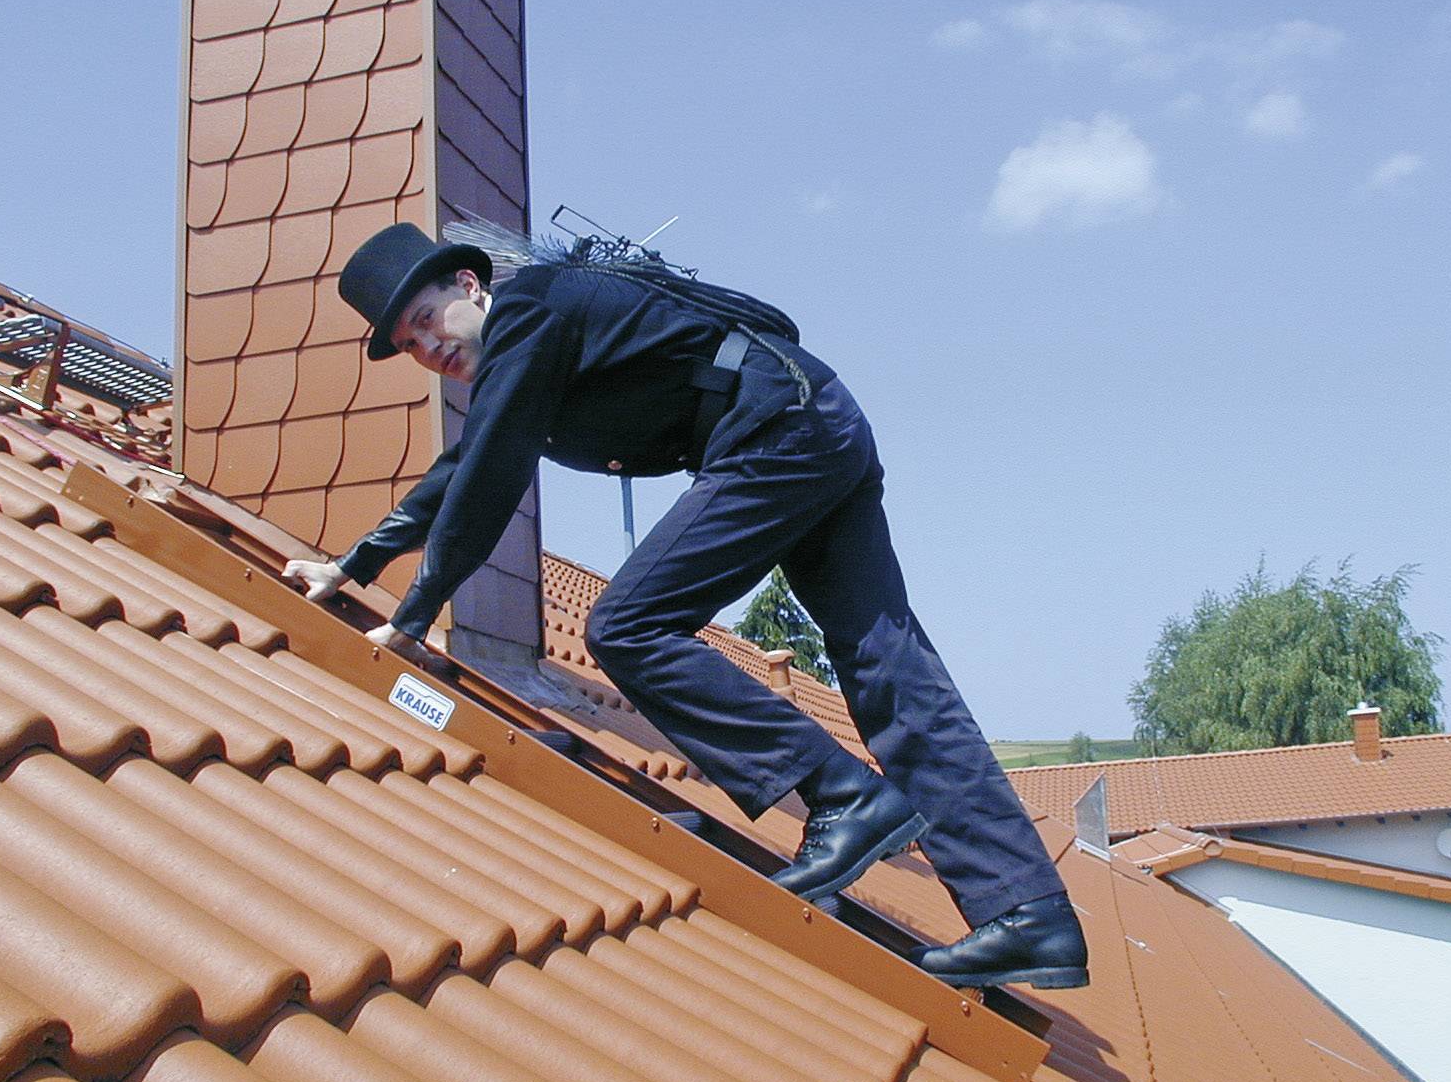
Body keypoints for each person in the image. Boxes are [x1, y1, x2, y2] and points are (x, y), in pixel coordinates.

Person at [284, 222, 1088, 989]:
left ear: (468, 283)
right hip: (815, 421)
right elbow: (461, 470)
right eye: (411, 347)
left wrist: (414, 615)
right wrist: (353, 568)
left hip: (778, 433)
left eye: (427, 320)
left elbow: (487, 476)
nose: (429, 349)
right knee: (888, 668)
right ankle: (1027, 912)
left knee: (626, 626)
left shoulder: (530, 308)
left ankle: (845, 799)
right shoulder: (526, 349)